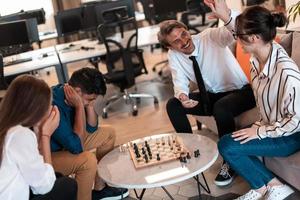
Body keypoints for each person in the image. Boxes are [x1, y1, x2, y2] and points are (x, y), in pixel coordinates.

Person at [206, 0, 300, 199]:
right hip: (271, 126)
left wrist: (259, 131)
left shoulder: (287, 74)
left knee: (227, 145)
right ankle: (267, 186)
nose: (236, 40)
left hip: (291, 136)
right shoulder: (260, 56)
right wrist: (226, 16)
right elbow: (239, 30)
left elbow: (296, 121)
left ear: (255, 38)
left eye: (240, 37)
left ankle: (268, 186)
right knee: (234, 139)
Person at [157, 1, 256, 187]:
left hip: (241, 93)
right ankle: (189, 152)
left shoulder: (210, 37)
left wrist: (225, 15)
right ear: (169, 47)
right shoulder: (174, 56)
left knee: (221, 107)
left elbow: (233, 31)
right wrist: (183, 96)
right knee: (173, 104)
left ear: (187, 30)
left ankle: (230, 161)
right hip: (211, 96)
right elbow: (179, 82)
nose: (183, 41)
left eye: (183, 34)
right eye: (176, 41)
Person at [50, 67, 128, 200]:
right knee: (88, 160)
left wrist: (89, 105)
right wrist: (80, 106)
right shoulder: (53, 105)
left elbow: (91, 128)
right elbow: (77, 148)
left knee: (108, 133)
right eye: (90, 99)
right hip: (47, 157)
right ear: (77, 91)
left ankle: (100, 188)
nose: (91, 102)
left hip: (70, 142)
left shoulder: (74, 94)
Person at [0, 75, 77, 200]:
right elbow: (44, 186)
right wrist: (46, 135)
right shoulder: (20, 135)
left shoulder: (7, 126)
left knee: (58, 176)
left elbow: (31, 162)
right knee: (68, 185)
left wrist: (37, 131)